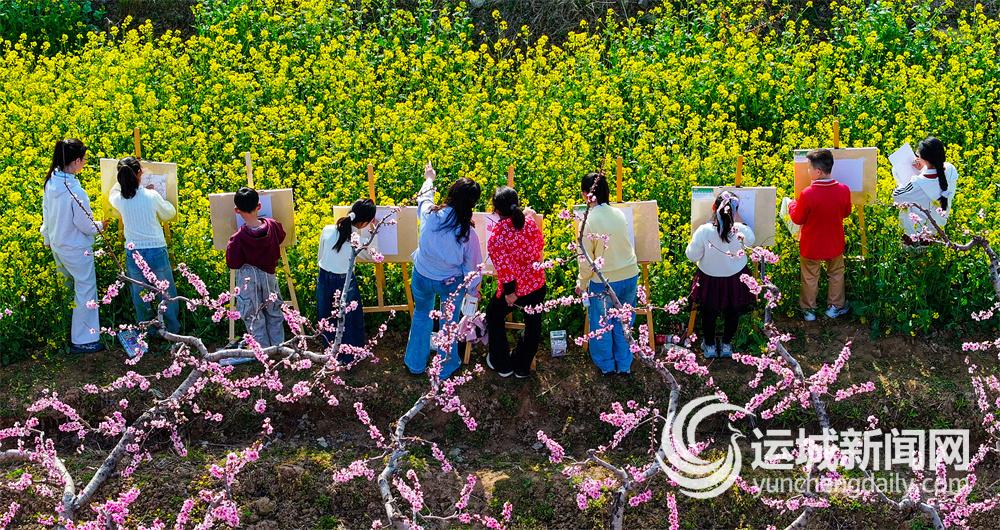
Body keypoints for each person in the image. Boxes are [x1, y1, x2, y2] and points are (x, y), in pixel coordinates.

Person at [404, 162, 483, 379]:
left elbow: (424, 198)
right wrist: (473, 290)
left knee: (421, 314)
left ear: (451, 194)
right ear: (472, 204)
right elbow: (472, 267)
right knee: (449, 322)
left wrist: (429, 178)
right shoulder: (467, 232)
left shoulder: (431, 214)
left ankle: (415, 363)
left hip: (422, 275)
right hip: (450, 282)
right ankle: (444, 367)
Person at [40, 138, 106, 353]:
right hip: (76, 249)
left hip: (58, 245)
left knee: (67, 290)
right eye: (84, 159)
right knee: (86, 290)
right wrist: (101, 226)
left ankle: (64, 331)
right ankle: (84, 340)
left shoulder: (51, 182)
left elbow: (46, 213)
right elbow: (85, 225)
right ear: (76, 161)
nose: (85, 163)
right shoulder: (75, 191)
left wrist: (47, 238)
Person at [575, 172, 640, 376]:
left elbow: (586, 261)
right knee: (624, 321)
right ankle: (624, 364)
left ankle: (606, 366)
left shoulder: (587, 221)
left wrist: (581, 284)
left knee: (601, 324)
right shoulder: (618, 213)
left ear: (586, 194)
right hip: (630, 275)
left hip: (604, 281)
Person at [110, 156, 180, 335]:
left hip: (133, 251)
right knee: (165, 290)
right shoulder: (151, 195)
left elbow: (112, 192)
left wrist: (124, 175)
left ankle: (148, 331)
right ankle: (171, 329)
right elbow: (169, 213)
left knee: (140, 292)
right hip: (156, 248)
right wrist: (157, 195)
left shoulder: (119, 199)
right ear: (139, 173)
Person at [484, 187, 546, 378]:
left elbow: (504, 268)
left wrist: (510, 292)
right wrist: (528, 216)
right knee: (533, 324)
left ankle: (502, 364)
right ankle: (522, 366)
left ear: (496, 209)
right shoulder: (529, 223)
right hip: (536, 284)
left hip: (515, 290)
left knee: (493, 315)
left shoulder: (497, 235)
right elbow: (540, 245)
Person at [685, 192, 756, 358]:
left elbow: (692, 256)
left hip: (709, 279)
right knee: (733, 311)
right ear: (735, 212)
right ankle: (726, 345)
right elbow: (751, 240)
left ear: (713, 207)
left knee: (708, 312)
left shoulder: (704, 231)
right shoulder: (741, 230)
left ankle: (709, 346)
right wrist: (738, 220)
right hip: (736, 278)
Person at [788, 149, 852, 322]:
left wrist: (792, 205)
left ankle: (809, 310)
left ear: (818, 171)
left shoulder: (807, 193)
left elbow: (797, 218)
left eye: (809, 168)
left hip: (811, 244)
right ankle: (834, 307)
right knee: (836, 273)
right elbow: (846, 213)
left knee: (810, 276)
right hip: (834, 242)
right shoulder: (844, 190)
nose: (808, 171)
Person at [226, 187, 287, 351]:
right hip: (269, 276)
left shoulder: (237, 238)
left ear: (237, 210)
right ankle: (278, 348)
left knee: (253, 315)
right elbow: (282, 236)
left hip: (248, 279)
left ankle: (263, 352)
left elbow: (233, 263)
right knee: (274, 311)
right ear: (259, 206)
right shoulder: (273, 226)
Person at [317, 198, 377, 360]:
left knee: (327, 315)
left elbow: (320, 256)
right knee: (349, 317)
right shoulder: (358, 241)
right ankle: (350, 356)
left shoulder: (327, 229)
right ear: (364, 223)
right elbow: (374, 255)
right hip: (344, 280)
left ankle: (330, 352)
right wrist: (373, 231)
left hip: (323, 276)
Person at [892, 137, 959, 243]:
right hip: (938, 234)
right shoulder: (951, 170)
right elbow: (934, 178)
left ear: (924, 159)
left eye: (918, 156)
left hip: (916, 237)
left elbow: (896, 195)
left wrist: (897, 173)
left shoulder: (917, 184)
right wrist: (924, 168)